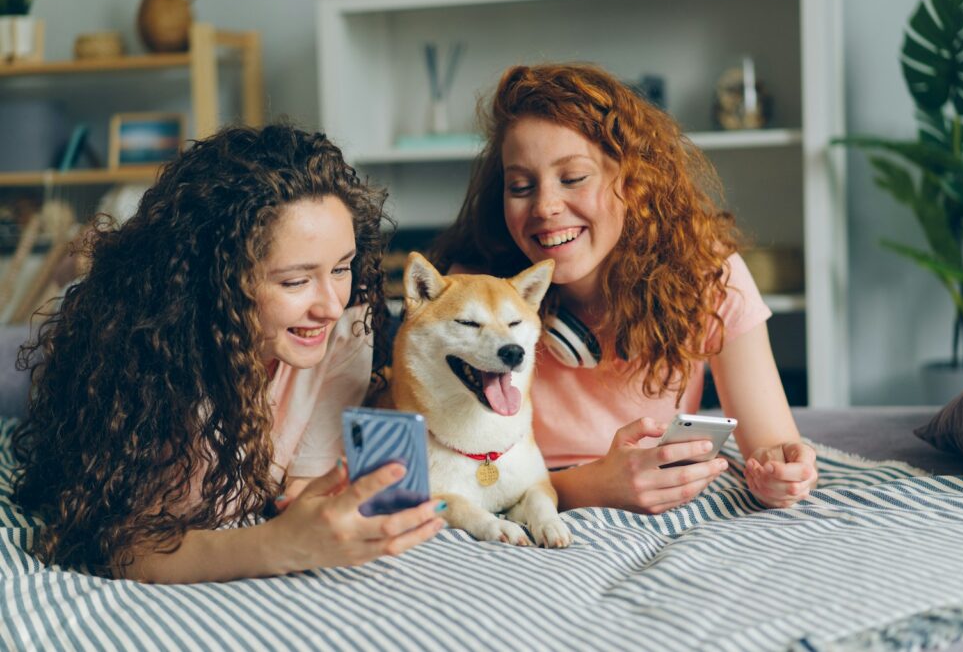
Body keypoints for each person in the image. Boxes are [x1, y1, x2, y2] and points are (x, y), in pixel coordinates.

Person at [11, 125, 445, 583]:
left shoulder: (347, 325)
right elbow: (125, 544)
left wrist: (319, 505)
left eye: (341, 267)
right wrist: (280, 545)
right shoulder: (156, 360)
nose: (331, 305)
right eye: (295, 281)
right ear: (218, 281)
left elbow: (298, 486)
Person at [432, 63, 817, 514]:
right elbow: (458, 477)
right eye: (520, 186)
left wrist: (782, 471)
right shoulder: (468, 298)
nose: (545, 206)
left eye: (573, 178)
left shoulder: (707, 272)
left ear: (633, 182)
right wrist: (591, 486)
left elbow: (771, 443)